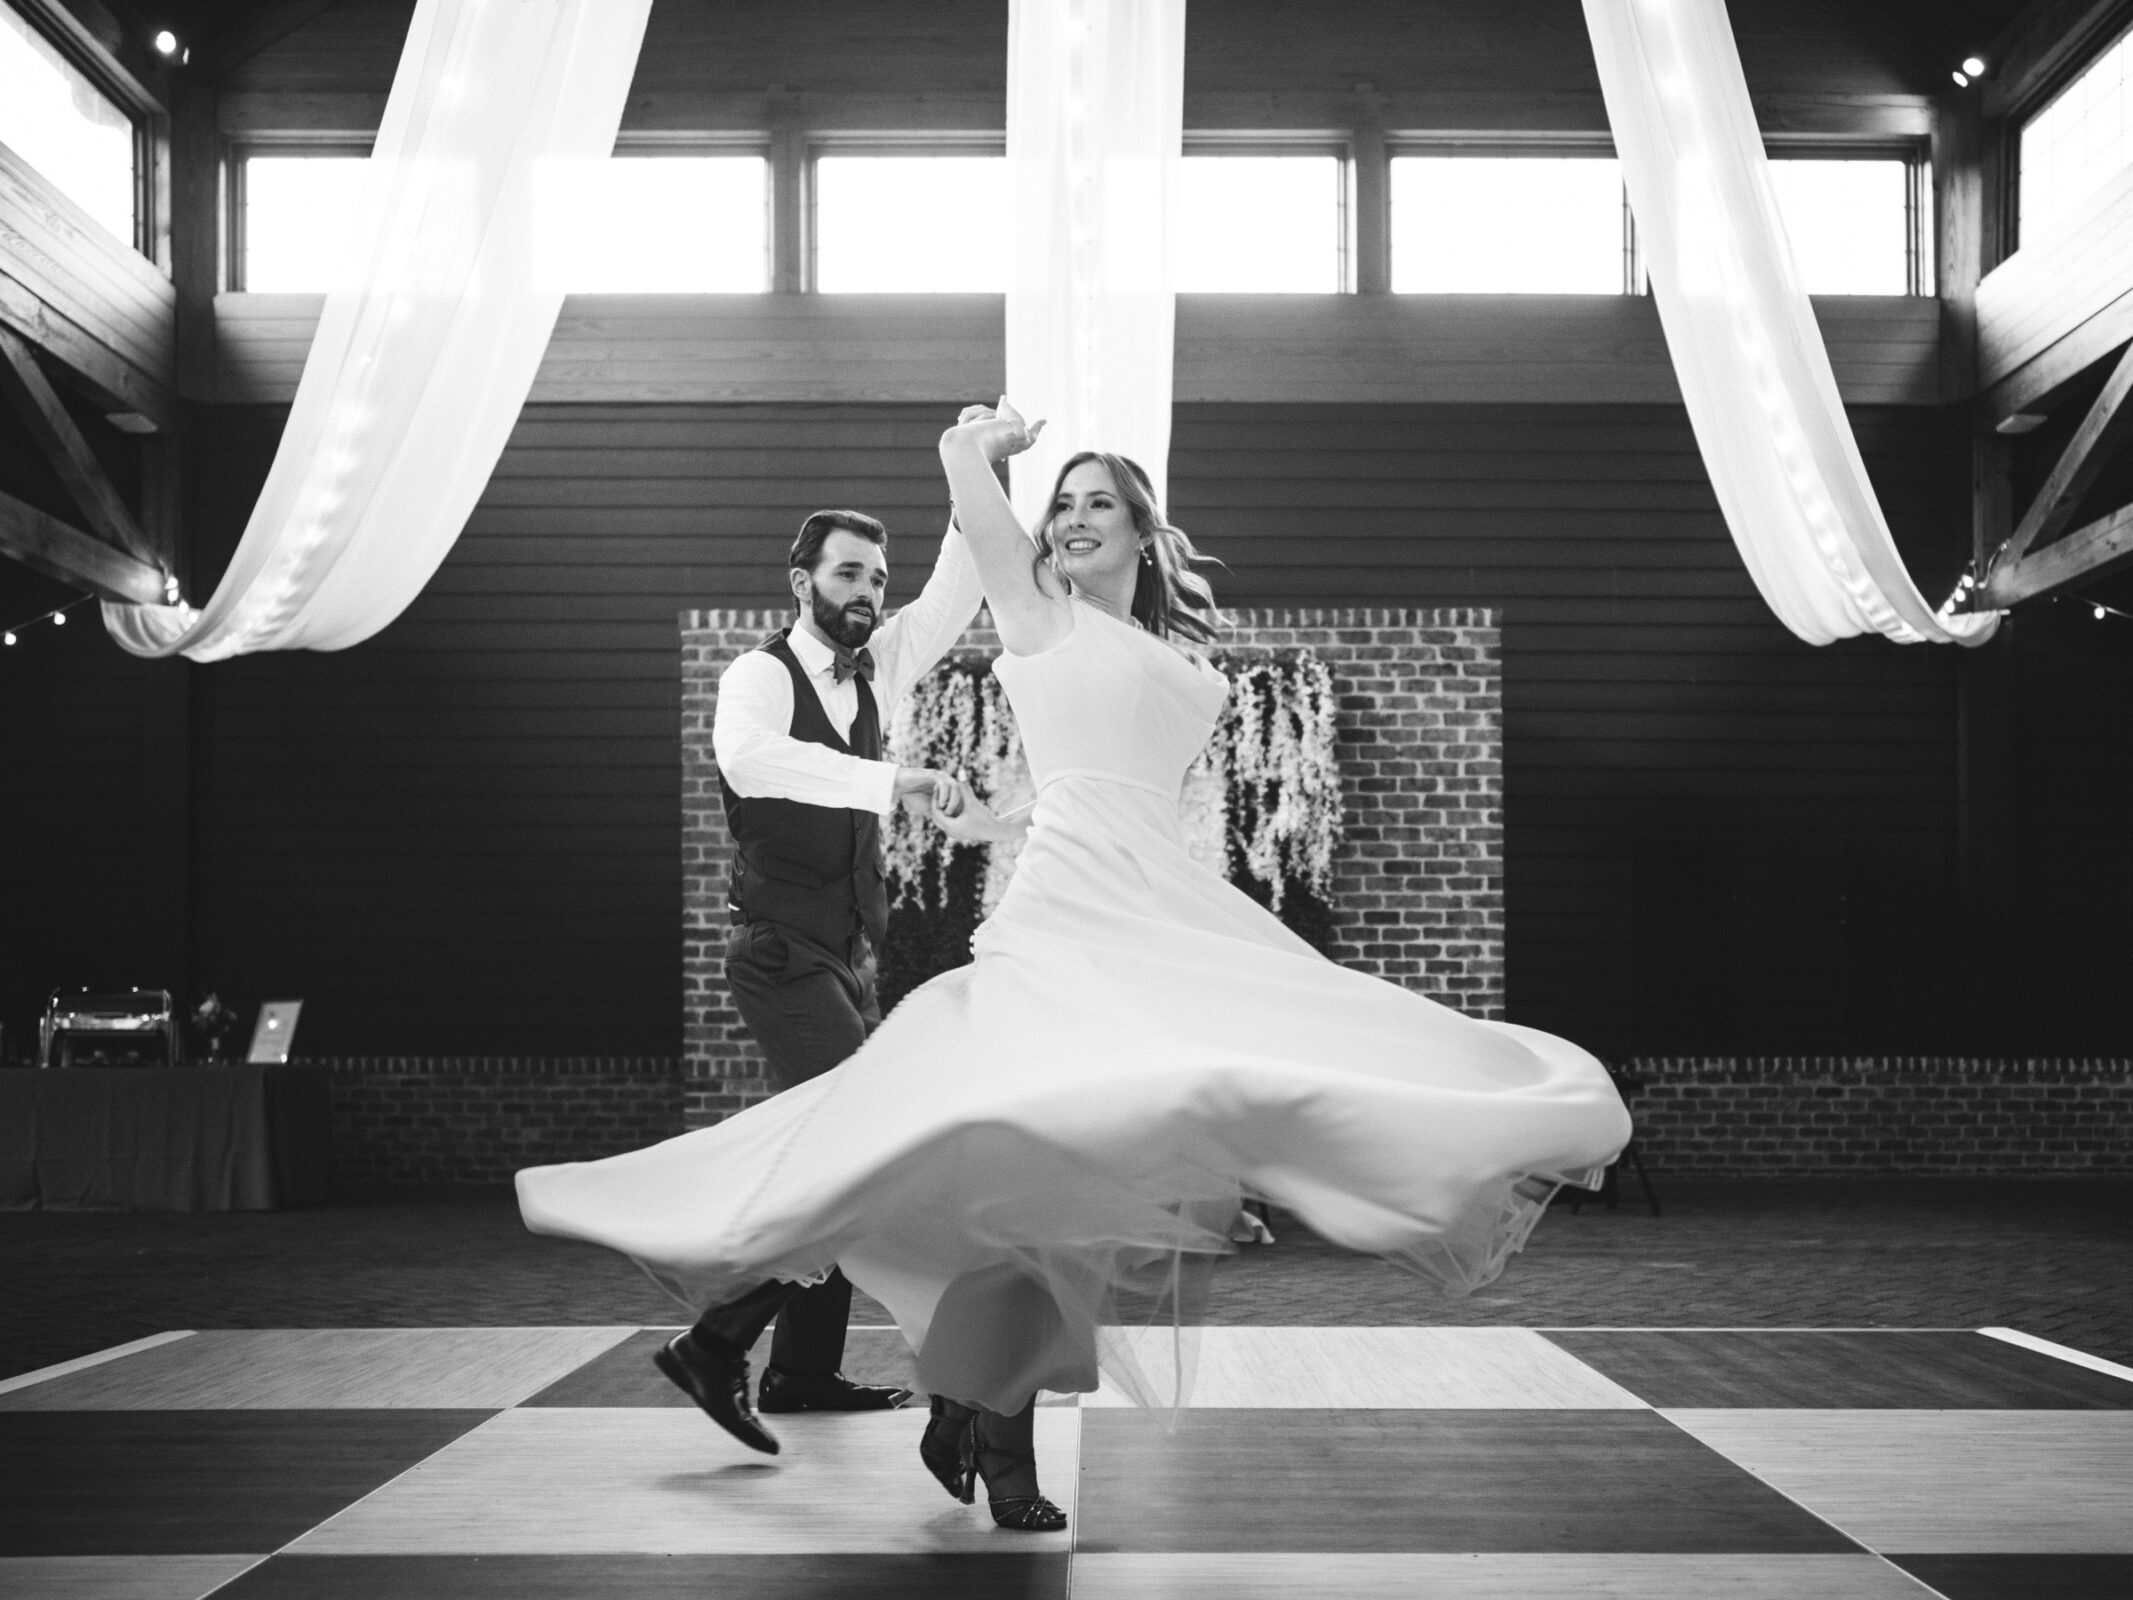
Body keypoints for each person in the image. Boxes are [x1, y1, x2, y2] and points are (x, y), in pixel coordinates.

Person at [519, 401, 1633, 1534]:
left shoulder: (1177, 659)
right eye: (1065, 502)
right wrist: (989, 442)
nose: (1076, 516)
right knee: (1010, 1180)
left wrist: (997, 818)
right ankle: (986, 1436)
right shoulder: (1034, 615)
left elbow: (1109, 787)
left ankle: (964, 1400)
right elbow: (964, 503)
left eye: (1101, 501)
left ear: (1145, 531)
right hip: (1055, 928)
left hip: (1151, 918)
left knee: (1100, 1186)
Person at [646, 499, 984, 1456]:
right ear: (802, 583)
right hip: (778, 954)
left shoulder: (879, 664)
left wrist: (972, 486)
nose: (868, 594)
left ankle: (798, 1371)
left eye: (877, 578)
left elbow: (952, 596)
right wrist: (892, 781)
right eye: (848, 575)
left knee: (833, 1155)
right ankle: (715, 1343)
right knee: (857, 1147)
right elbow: (752, 761)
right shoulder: (758, 674)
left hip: (846, 956)